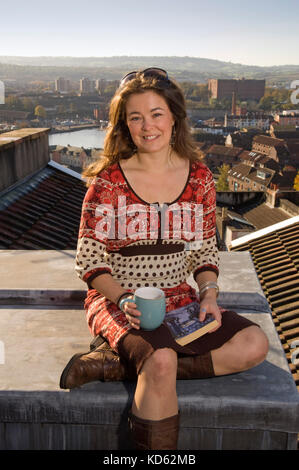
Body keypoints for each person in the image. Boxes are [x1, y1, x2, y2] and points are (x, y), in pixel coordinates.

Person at [60, 68, 269, 450]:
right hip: (120, 301)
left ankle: (112, 365)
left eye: (156, 113)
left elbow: (205, 250)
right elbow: (89, 261)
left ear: (174, 117)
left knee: (255, 343)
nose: (147, 126)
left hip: (180, 299)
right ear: (124, 125)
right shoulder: (108, 181)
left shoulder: (201, 179)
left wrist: (208, 294)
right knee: (160, 363)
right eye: (135, 117)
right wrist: (122, 298)